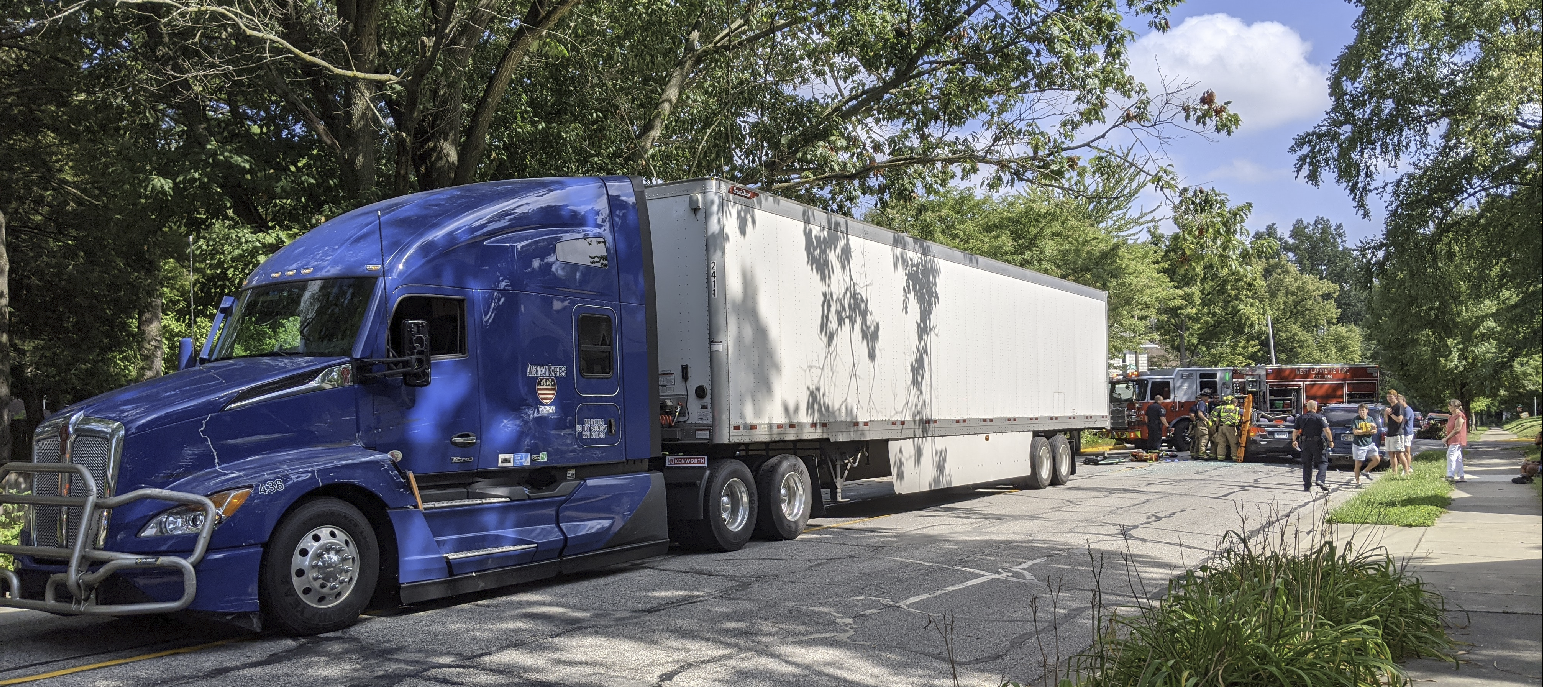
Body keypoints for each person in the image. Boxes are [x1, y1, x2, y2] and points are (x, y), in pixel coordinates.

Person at [1293, 400, 1334, 492]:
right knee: (1323, 462)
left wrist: (1294, 440)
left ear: (1307, 408)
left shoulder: (1301, 418)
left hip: (1305, 443)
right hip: (1317, 443)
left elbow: (1295, 431)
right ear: (1315, 407)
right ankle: (1320, 480)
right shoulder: (1319, 417)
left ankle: (1307, 486)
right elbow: (1327, 430)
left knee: (1307, 464)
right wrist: (1330, 441)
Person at [1350, 403, 1382, 486]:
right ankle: (1358, 482)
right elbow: (1355, 432)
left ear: (1367, 411)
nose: (1362, 412)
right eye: (1360, 410)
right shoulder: (1356, 420)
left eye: (1363, 410)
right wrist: (1366, 431)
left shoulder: (1370, 419)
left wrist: (1373, 430)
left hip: (1369, 444)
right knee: (1358, 464)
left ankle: (1365, 471)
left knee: (1377, 459)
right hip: (1359, 445)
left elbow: (1375, 430)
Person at [1385, 391, 1414, 476]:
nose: (1389, 398)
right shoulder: (1390, 407)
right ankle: (1394, 473)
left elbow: (1399, 419)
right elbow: (1387, 421)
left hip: (1398, 433)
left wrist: (1391, 414)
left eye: (1391, 396)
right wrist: (1386, 414)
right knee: (1391, 454)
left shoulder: (1399, 406)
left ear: (1395, 396)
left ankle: (1407, 471)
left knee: (1399, 453)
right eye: (1388, 397)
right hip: (1390, 433)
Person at [1444, 399, 1468, 482]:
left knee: (1450, 455)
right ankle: (1461, 476)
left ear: (1455, 407)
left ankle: (1450, 475)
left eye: (1450, 405)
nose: (1448, 407)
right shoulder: (1451, 416)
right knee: (1458, 458)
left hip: (1457, 439)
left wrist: (1446, 438)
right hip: (1453, 439)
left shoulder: (1459, 416)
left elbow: (1457, 429)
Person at [1213, 395, 1243, 462]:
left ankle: (1220, 457)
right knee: (1233, 443)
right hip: (1230, 428)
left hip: (1221, 427)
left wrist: (1217, 428)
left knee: (1221, 443)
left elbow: (1217, 419)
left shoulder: (1223, 408)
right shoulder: (1237, 409)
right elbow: (1242, 416)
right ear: (1235, 403)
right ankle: (1235, 457)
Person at [1190, 392, 1212, 459]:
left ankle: (1196, 454)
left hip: (1198, 423)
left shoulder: (1199, 403)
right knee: (1204, 437)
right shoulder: (1202, 403)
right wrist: (1207, 420)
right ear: (1204, 397)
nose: (1208, 398)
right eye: (1207, 397)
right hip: (1202, 423)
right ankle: (1202, 454)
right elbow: (1200, 413)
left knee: (1198, 439)